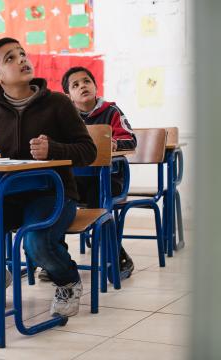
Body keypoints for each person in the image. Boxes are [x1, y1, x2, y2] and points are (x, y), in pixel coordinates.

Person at [0, 37, 97, 318]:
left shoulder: (58, 103)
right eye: (10, 58)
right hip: (10, 195)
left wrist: (52, 149)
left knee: (36, 244)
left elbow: (88, 151)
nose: (21, 59)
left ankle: (68, 281)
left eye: (22, 54)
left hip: (54, 193)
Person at [61, 66, 137, 278]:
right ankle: (58, 261)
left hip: (110, 180)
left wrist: (114, 144)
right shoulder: (66, 117)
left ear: (95, 86)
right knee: (53, 197)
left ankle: (117, 256)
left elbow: (130, 140)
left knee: (98, 199)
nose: (82, 86)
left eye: (86, 81)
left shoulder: (111, 112)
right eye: (75, 85)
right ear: (69, 96)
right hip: (76, 183)